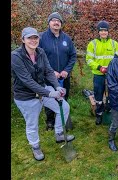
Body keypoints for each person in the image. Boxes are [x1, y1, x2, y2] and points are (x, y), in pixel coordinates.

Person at [11, 27, 75, 161]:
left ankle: (59, 134)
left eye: (35, 37)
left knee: (64, 107)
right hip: (26, 96)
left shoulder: (40, 52)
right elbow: (27, 80)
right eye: (29, 38)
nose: (33, 40)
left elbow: (49, 71)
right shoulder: (15, 57)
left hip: (43, 89)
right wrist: (49, 93)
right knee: (32, 123)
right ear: (23, 40)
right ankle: (35, 147)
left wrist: (57, 86)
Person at [39, 12, 77, 131]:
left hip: (64, 77)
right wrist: (50, 71)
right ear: (49, 23)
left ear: (61, 24)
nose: (56, 23)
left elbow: (73, 55)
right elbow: (39, 58)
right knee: (50, 98)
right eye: (54, 20)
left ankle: (63, 119)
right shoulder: (42, 38)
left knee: (64, 97)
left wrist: (67, 70)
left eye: (59, 21)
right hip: (49, 77)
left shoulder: (66, 39)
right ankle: (50, 120)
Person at [85, 20, 118, 125]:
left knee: (111, 94)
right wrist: (99, 67)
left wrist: (110, 68)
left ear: (108, 32)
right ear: (98, 32)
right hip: (98, 75)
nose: (103, 33)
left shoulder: (114, 44)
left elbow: (117, 59)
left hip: (111, 75)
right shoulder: (93, 44)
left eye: (105, 30)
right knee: (98, 96)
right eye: (101, 31)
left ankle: (110, 111)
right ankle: (99, 114)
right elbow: (89, 59)